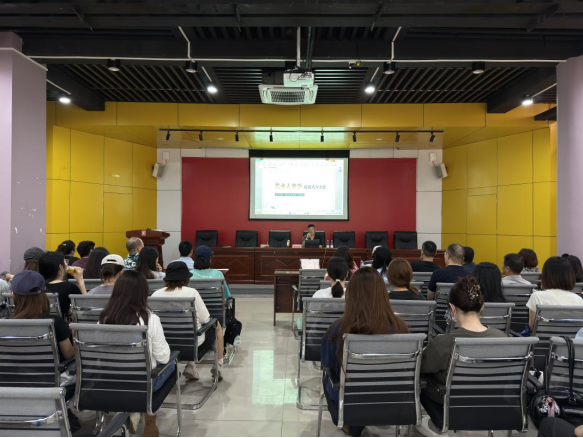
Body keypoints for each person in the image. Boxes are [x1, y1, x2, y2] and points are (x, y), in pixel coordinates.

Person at [321, 267, 410, 438]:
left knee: (329, 376)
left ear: (351, 295)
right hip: (392, 396)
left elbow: (327, 363)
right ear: (383, 294)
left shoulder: (337, 329)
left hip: (351, 397)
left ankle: (351, 424)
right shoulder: (401, 328)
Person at [417, 277, 507, 437]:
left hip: (450, 405)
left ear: (452, 308)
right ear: (482, 307)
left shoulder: (443, 342)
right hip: (491, 404)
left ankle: (436, 423)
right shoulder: (503, 339)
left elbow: (421, 367)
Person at [99, 270, 172, 437]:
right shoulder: (150, 319)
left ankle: (130, 411)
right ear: (143, 293)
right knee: (170, 363)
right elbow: (164, 357)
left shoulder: (103, 319)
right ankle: (150, 418)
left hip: (110, 380)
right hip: (143, 382)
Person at [152, 261, 224, 381]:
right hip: (192, 344)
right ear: (186, 278)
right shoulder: (192, 293)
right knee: (216, 326)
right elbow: (206, 319)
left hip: (166, 343)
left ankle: (191, 366)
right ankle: (219, 364)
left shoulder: (155, 295)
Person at [10, 270, 75, 361]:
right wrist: (74, 336)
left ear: (13, 295)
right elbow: (70, 356)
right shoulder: (54, 321)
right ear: (43, 295)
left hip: (10, 370)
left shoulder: (4, 325)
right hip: (50, 370)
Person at [526, 257, 583, 329]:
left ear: (545, 276)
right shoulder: (579, 300)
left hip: (543, 336)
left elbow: (532, 326)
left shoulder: (536, 297)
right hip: (571, 336)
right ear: (569, 276)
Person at [39, 251, 87, 320]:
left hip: (42, 324)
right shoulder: (70, 287)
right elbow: (85, 307)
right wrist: (80, 281)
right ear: (61, 267)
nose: (67, 264)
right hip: (62, 324)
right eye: (65, 262)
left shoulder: (38, 287)